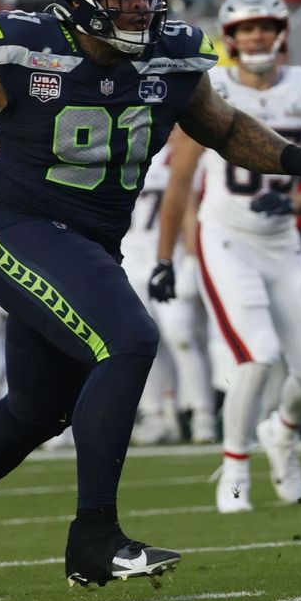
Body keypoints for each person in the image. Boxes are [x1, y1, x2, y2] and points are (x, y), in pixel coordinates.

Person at [0, 0, 301, 585]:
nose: (140, 8)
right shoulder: (22, 53)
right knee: (130, 338)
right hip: (20, 229)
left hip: (89, 244)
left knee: (36, 411)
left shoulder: (168, 60)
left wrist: (299, 159)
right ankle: (94, 535)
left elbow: (222, 127)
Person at [154, 0, 301, 514]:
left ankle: (281, 432)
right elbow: (179, 182)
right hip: (225, 237)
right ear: (231, 38)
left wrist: (294, 206)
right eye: (246, 28)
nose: (257, 35)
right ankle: (236, 469)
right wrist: (166, 257)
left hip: (283, 240)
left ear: (282, 32)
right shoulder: (210, 86)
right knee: (257, 355)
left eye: (265, 25)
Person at [122, 139, 216, 447]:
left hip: (166, 260)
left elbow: (188, 210)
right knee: (140, 342)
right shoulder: (118, 156)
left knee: (181, 335)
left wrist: (190, 259)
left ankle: (202, 411)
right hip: (128, 259)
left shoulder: (173, 159)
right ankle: (157, 414)